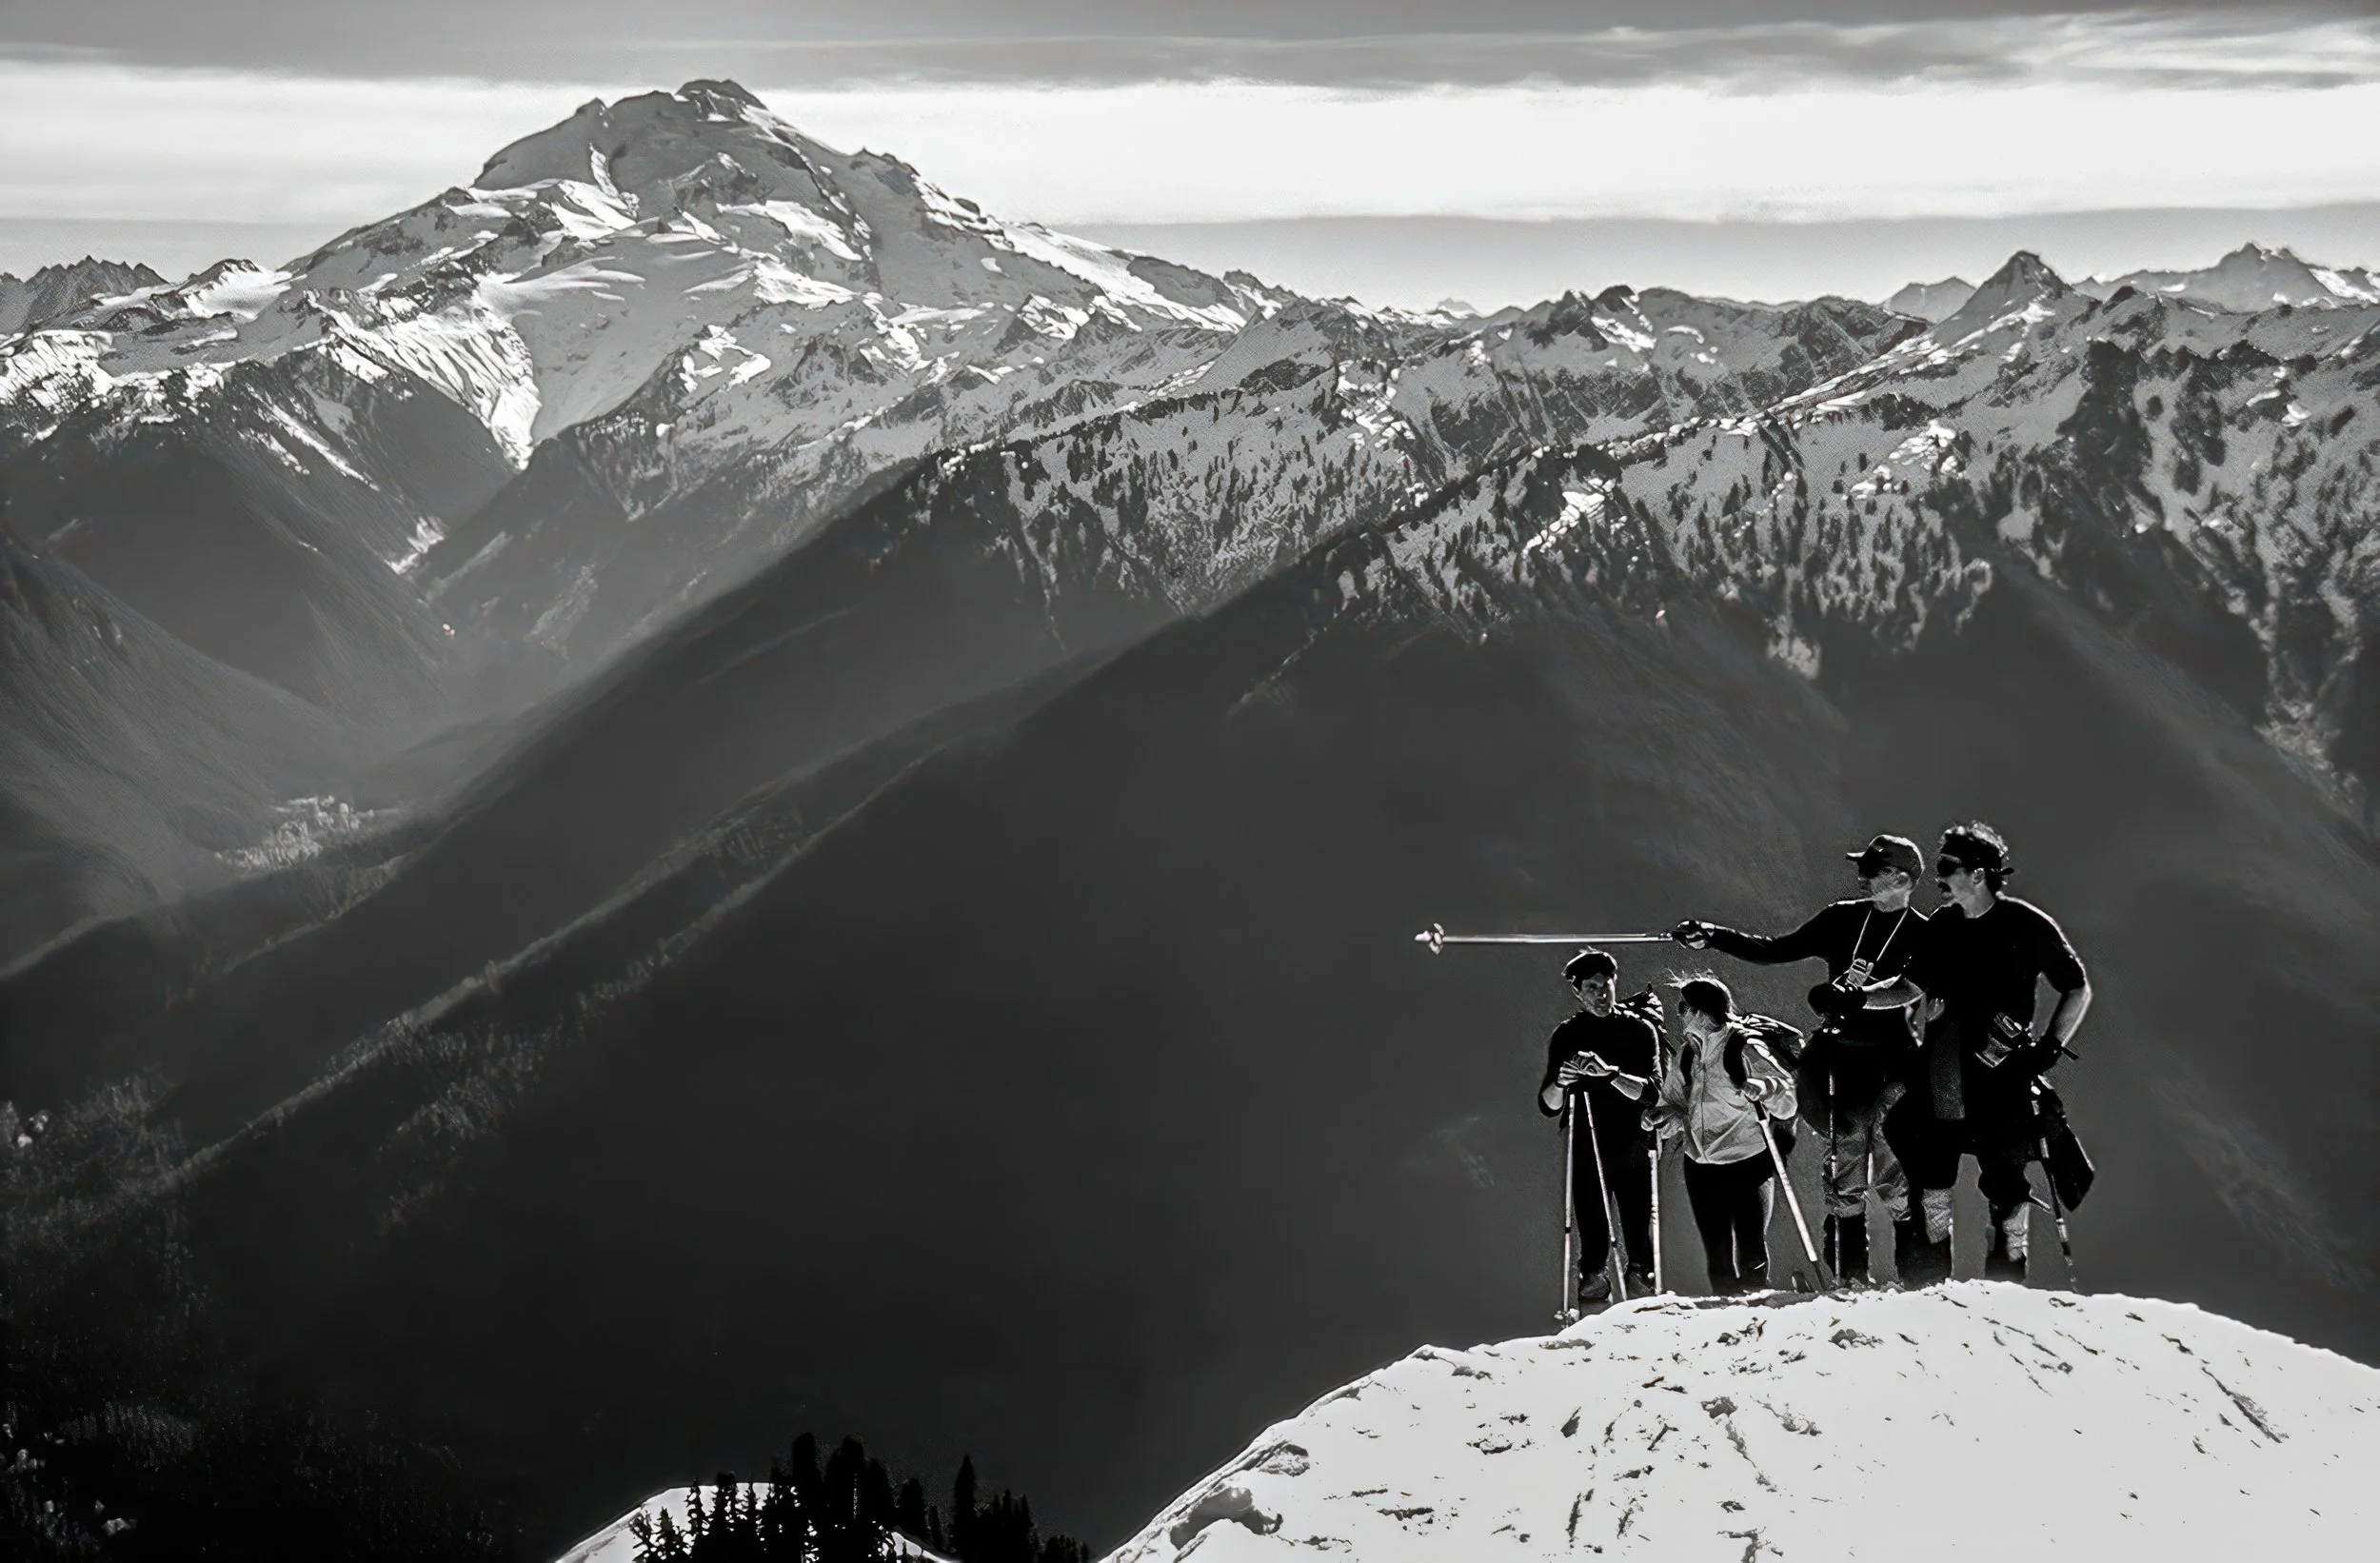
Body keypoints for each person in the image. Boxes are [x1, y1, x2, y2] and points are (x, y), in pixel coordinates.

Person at [1671, 834, 1926, 1285]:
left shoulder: (1923, 934)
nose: (1861, 875)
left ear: (1902, 878)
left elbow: (1914, 988)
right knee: (1845, 1173)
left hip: (1896, 1068)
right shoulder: (1843, 919)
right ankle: (1851, 1279)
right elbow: (1776, 949)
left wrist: (1858, 998)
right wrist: (1714, 938)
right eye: (1861, 867)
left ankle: (1917, 1281)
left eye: (1872, 869)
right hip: (1843, 1066)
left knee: (1898, 1173)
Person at [1851, 822, 2092, 1285]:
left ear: (1978, 874)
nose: (1937, 878)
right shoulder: (1943, 925)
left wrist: (2051, 1045)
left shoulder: (2027, 924)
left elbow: (2075, 987)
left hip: (2003, 1073)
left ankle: (2004, 1288)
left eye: (1946, 868)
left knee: (2006, 1185)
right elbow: (1907, 986)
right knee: (1930, 1174)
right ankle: (1931, 1286)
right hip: (1944, 1065)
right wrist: (1858, 998)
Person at [1642, 976, 1799, 1296]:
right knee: (1716, 1251)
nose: (1680, 1014)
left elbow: (1788, 1100)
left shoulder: (1743, 1046)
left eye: (1683, 1007)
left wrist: (1763, 1087)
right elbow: (1674, 1105)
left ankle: (1758, 1313)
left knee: (1750, 1244)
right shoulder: (1687, 1055)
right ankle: (1727, 1319)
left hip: (1748, 1162)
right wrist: (1660, 1117)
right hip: (1700, 1165)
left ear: (1701, 1011)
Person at [1537, 948, 1660, 1309]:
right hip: (1587, 1142)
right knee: (1592, 1223)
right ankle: (1594, 1287)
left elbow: (1653, 1091)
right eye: (1591, 987)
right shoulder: (1568, 1035)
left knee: (1637, 1223)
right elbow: (1548, 1103)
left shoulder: (1639, 1030)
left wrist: (1610, 1074)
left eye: (1606, 985)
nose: (1602, 993)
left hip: (1633, 1140)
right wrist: (1561, 1081)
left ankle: (1642, 1287)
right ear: (1577, 992)